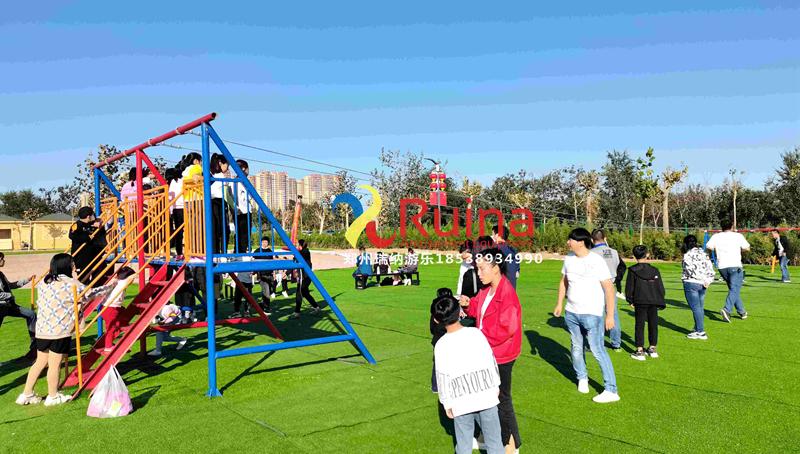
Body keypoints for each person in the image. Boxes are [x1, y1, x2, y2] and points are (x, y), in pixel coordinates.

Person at [16, 253, 115, 406]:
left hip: (42, 329)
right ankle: (53, 396)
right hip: (59, 330)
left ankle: (26, 394)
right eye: (72, 264)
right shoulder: (71, 283)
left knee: (40, 362)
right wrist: (111, 285)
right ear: (67, 266)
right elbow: (90, 294)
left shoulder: (44, 282)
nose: (74, 266)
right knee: (55, 364)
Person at [459, 247, 522, 453]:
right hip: (489, 353)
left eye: (482, 269)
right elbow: (477, 309)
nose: (478, 273)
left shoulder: (507, 294)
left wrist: (477, 340)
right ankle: (491, 436)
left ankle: (511, 445)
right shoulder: (486, 290)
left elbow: (506, 329)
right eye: (477, 269)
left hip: (501, 355)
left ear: (496, 268)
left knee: (501, 399)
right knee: (490, 399)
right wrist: (467, 304)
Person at [553, 228, 620, 404]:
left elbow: (609, 289)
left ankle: (611, 389)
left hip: (592, 314)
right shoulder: (568, 259)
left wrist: (610, 316)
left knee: (598, 350)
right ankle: (582, 377)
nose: (568, 242)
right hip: (571, 312)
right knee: (576, 347)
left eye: (571, 239)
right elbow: (563, 282)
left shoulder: (596, 260)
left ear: (581, 242)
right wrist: (559, 303)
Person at [434, 292, 504, 454]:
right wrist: (496, 385)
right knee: (494, 442)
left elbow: (442, 377)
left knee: (464, 444)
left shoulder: (441, 345)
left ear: (436, 320)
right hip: (485, 395)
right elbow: (490, 361)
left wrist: (446, 403)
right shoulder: (475, 333)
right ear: (459, 311)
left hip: (460, 400)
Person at [625, 245, 666, 360]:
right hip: (653, 300)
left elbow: (629, 287)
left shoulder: (632, 270)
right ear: (647, 255)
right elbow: (660, 287)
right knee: (653, 324)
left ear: (634, 256)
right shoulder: (654, 270)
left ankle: (640, 350)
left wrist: (630, 299)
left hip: (640, 300)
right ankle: (652, 348)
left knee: (640, 325)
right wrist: (660, 299)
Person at [706, 219, 750, 322]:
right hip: (735, 265)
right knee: (734, 289)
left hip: (722, 267)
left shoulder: (716, 236)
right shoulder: (738, 236)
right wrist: (740, 250)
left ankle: (742, 312)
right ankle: (727, 309)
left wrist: (709, 256)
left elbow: (708, 248)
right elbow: (747, 248)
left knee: (733, 289)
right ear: (732, 226)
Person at [0, 252, 36, 360]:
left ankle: (34, 348)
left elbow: (10, 285)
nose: (3, 261)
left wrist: (27, 280)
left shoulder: (1, 274)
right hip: (1, 308)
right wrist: (9, 295)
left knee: (31, 314)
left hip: (10, 306)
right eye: (2, 258)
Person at [591, 229, 623, 351]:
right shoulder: (614, 252)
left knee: (596, 315)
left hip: (597, 286)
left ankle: (598, 342)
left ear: (592, 240)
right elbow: (618, 266)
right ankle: (616, 343)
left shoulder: (591, 253)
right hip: (611, 285)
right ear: (605, 238)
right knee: (613, 314)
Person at [681, 235, 715, 340]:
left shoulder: (687, 255)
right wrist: (708, 280)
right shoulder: (704, 253)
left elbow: (690, 270)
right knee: (700, 307)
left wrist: (701, 278)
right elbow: (710, 268)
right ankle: (697, 328)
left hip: (691, 283)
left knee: (696, 308)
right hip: (703, 284)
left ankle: (700, 331)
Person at [97, 266, 137, 352]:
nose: (133, 281)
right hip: (110, 308)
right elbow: (129, 279)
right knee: (111, 328)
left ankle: (122, 325)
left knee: (122, 315)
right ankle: (108, 346)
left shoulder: (118, 281)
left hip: (110, 307)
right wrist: (136, 273)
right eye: (132, 279)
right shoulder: (123, 283)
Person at [70, 206, 109, 284]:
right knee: (83, 276)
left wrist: (100, 226)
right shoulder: (77, 225)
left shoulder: (94, 224)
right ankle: (84, 289)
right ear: (88, 216)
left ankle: (96, 288)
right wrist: (87, 237)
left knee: (100, 273)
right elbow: (72, 236)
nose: (94, 217)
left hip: (95, 255)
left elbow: (101, 236)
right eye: (92, 215)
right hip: (81, 257)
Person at [291, 239, 320, 318]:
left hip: (305, 277)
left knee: (299, 294)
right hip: (302, 277)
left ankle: (297, 312)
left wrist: (295, 250)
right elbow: (294, 262)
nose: (296, 245)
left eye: (297, 244)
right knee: (305, 294)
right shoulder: (299, 253)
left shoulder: (306, 251)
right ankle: (316, 307)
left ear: (301, 245)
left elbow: (303, 253)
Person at [210, 153, 232, 254]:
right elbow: (225, 194)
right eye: (227, 165)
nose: (227, 168)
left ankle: (215, 252)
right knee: (224, 230)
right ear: (220, 163)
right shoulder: (220, 176)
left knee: (214, 230)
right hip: (219, 202)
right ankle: (223, 252)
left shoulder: (210, 175)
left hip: (212, 203)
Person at [233, 159, 254, 253]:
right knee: (243, 233)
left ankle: (240, 251)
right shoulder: (237, 182)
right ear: (244, 169)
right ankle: (240, 252)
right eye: (248, 169)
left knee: (243, 233)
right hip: (242, 210)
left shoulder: (242, 181)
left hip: (244, 210)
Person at [166, 166, 185, 258]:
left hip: (175, 208)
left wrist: (170, 210)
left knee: (178, 231)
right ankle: (183, 251)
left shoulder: (172, 182)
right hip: (183, 206)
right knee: (185, 230)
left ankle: (179, 252)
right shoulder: (182, 180)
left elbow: (170, 197)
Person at [254, 237, 276, 310]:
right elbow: (253, 262)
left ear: (268, 243)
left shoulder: (270, 251)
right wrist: (257, 273)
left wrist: (274, 273)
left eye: (266, 242)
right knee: (266, 291)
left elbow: (272, 263)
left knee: (270, 290)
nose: (264, 243)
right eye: (263, 242)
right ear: (261, 242)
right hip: (262, 275)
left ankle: (262, 304)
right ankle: (266, 307)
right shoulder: (257, 251)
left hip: (270, 274)